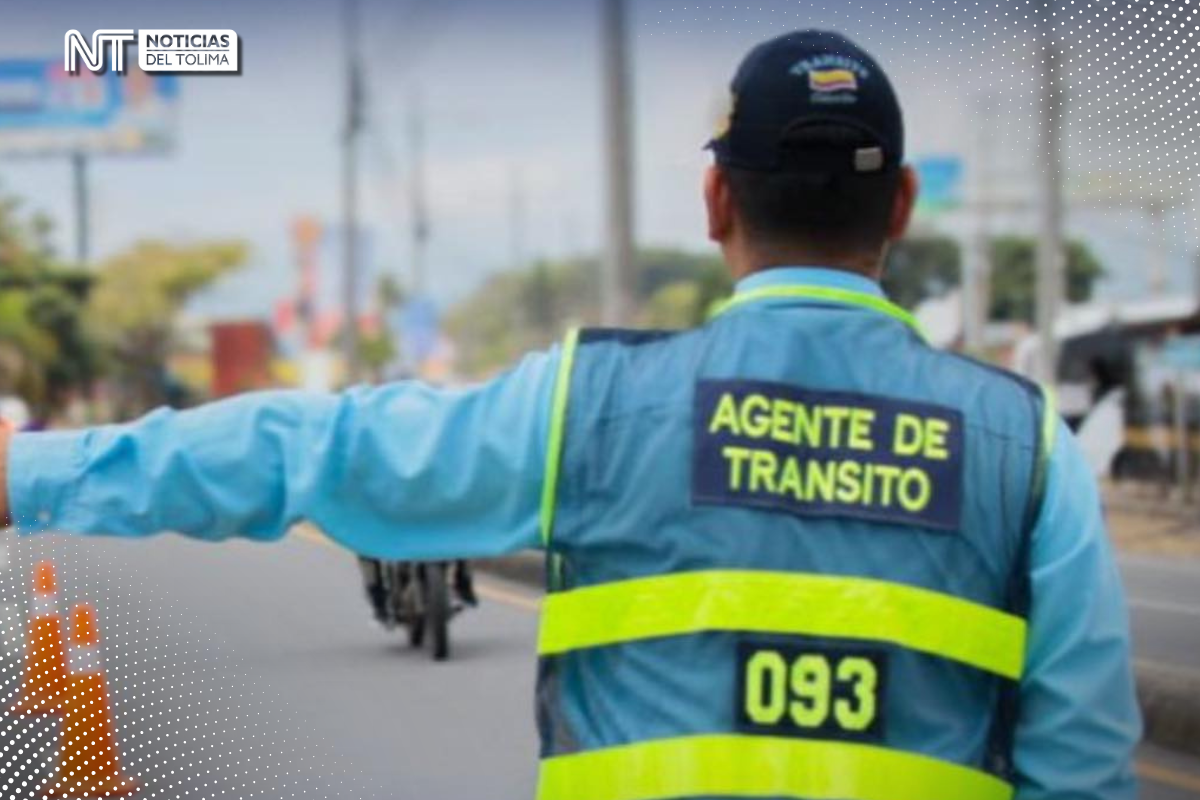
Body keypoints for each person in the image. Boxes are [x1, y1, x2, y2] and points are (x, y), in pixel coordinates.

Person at [0, 30, 1138, 800]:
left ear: (714, 202)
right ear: (899, 203)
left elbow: (313, 447)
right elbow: (1082, 761)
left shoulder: (591, 403)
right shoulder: (1026, 447)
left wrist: (31, 471)